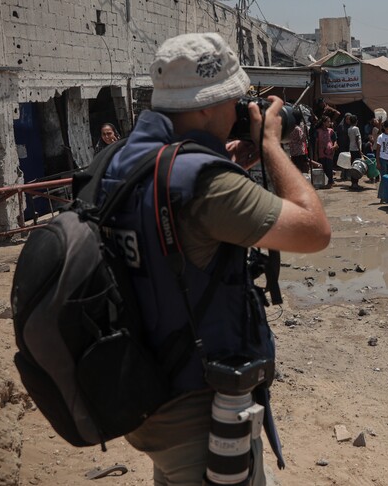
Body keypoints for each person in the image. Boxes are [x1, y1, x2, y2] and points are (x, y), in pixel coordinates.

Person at [101, 32, 331, 485]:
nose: (238, 110)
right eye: (232, 99)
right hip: (199, 406)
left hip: (147, 390)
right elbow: (314, 230)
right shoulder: (204, 183)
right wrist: (269, 146)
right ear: (204, 106)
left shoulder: (125, 161)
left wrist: (220, 165)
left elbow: (177, 231)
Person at [317, 116, 338, 188]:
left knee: (329, 166)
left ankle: (330, 182)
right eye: (328, 121)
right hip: (321, 152)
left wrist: (334, 146)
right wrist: (315, 154)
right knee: (324, 167)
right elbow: (316, 143)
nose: (330, 123)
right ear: (323, 123)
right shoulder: (318, 131)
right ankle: (328, 181)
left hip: (330, 151)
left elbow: (335, 140)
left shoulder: (331, 131)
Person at [289, 107, 310, 173]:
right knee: (301, 169)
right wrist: (306, 132)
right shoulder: (297, 129)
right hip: (299, 152)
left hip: (293, 152)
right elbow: (302, 139)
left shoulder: (291, 128)